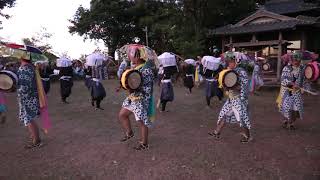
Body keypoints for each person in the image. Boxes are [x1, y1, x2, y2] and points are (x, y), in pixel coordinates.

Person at [208, 52, 251, 143]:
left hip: (239, 99)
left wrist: (232, 86)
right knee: (223, 114)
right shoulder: (227, 71)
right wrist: (224, 84)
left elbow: (244, 86)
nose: (228, 63)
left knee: (242, 118)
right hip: (231, 99)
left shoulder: (241, 71)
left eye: (230, 61)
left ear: (236, 61)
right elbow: (225, 84)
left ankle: (248, 137)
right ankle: (217, 132)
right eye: (228, 61)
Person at [118, 47, 155, 150]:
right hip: (133, 97)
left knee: (141, 121)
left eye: (131, 53)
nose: (129, 55)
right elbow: (132, 82)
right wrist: (124, 84)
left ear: (138, 56)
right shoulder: (136, 67)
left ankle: (144, 143)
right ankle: (129, 133)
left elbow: (146, 86)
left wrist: (132, 87)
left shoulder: (146, 69)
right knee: (122, 115)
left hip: (141, 98)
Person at [276, 51, 307, 130]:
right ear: (291, 60)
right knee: (288, 107)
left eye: (298, 61)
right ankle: (286, 121)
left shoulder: (302, 69)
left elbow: (303, 80)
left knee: (296, 108)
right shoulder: (286, 68)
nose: (297, 62)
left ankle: (291, 123)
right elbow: (283, 81)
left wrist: (304, 87)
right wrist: (292, 85)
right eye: (295, 60)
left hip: (297, 92)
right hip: (288, 91)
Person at [17, 57, 42, 148]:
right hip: (30, 96)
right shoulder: (31, 67)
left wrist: (15, 88)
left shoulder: (25, 68)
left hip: (27, 97)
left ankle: (36, 140)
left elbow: (25, 86)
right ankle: (34, 137)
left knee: (28, 118)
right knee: (27, 118)